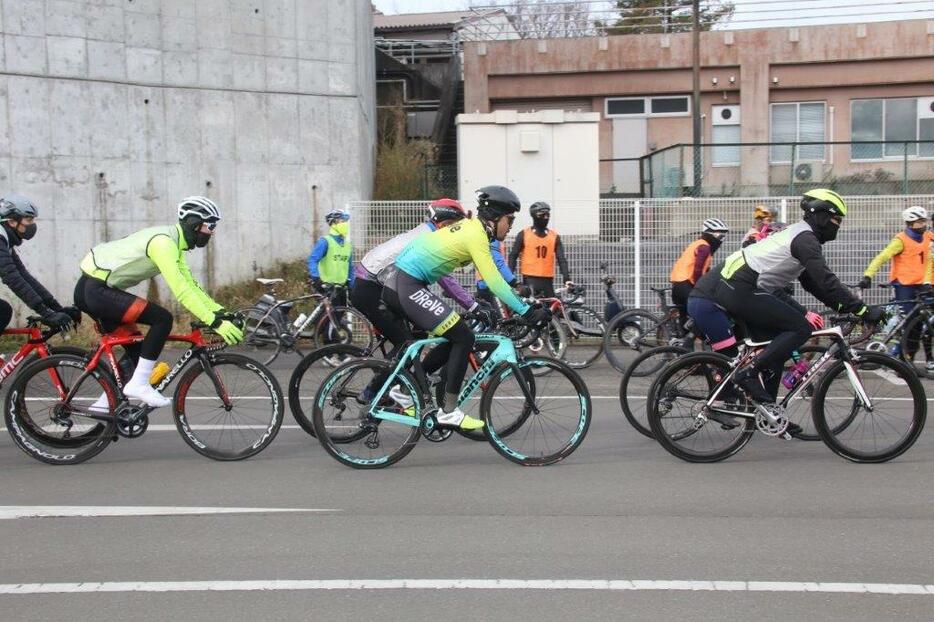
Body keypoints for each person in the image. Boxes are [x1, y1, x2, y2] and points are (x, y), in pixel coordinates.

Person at [383, 186, 551, 430]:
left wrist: (479, 304)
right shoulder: (476, 235)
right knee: (464, 336)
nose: (511, 225)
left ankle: (404, 389)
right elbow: (494, 281)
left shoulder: (472, 230)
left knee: (452, 336)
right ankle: (448, 412)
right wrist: (526, 312)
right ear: (495, 217)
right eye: (510, 219)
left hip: (401, 281)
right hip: (407, 284)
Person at [691, 189, 882, 404]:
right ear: (821, 216)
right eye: (836, 219)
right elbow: (827, 280)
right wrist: (862, 309)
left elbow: (814, 285)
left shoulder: (802, 237)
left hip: (740, 286)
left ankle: (770, 411)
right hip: (740, 285)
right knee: (801, 328)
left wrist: (845, 308)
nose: (838, 224)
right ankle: (748, 374)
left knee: (775, 346)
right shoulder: (804, 239)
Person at [75, 197, 243, 408]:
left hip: (94, 288)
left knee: (137, 355)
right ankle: (139, 385)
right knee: (162, 319)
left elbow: (190, 285)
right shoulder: (164, 243)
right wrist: (214, 322)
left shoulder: (174, 244)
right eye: (211, 225)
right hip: (97, 290)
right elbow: (181, 291)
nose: (213, 231)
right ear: (194, 223)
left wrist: (220, 312)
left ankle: (103, 408)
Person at [350, 198, 493, 357]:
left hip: (374, 285)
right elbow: (446, 279)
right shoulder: (432, 240)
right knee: (405, 344)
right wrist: (472, 306)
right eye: (455, 226)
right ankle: (386, 381)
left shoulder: (425, 231)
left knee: (420, 333)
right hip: (371, 289)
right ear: (444, 224)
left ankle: (412, 378)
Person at [859, 205, 934, 365]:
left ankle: (911, 359)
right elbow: (882, 257)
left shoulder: (928, 238)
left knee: (920, 322)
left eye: (924, 221)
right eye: (919, 222)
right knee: (910, 322)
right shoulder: (900, 240)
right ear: (909, 223)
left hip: (922, 284)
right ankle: (903, 359)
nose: (923, 225)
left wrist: (927, 281)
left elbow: (929, 262)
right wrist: (868, 275)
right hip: (904, 286)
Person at [0, 194, 80, 338]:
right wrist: (46, 313)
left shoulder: (5, 241)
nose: (32, 225)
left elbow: (23, 276)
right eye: (29, 220)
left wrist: (57, 309)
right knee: (2, 310)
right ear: (12, 221)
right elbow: (12, 279)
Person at [668, 218, 728, 335]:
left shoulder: (698, 244)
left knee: (685, 318)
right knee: (702, 312)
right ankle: (687, 345)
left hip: (678, 286)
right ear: (708, 234)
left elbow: (705, 270)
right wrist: (702, 287)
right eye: (719, 235)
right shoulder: (704, 247)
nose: (721, 239)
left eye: (723, 235)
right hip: (685, 285)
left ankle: (680, 347)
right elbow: (698, 270)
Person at [508, 201, 571, 298]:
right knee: (532, 310)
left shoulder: (554, 236)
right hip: (530, 279)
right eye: (542, 215)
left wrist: (567, 278)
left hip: (547, 280)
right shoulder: (524, 234)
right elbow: (513, 255)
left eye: (548, 215)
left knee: (552, 310)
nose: (546, 217)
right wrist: (510, 276)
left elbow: (561, 259)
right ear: (534, 215)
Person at [308, 210, 354, 306]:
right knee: (325, 318)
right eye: (342, 221)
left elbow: (350, 267)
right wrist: (316, 278)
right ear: (333, 223)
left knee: (338, 317)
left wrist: (351, 286)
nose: (345, 224)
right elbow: (313, 260)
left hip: (341, 288)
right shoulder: (325, 242)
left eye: (346, 222)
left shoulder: (347, 246)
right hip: (326, 287)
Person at [475, 238, 518, 317]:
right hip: (491, 286)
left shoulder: (490, 238)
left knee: (492, 316)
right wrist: (514, 282)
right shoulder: (492, 239)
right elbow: (498, 262)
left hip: (484, 284)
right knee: (503, 318)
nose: (510, 228)